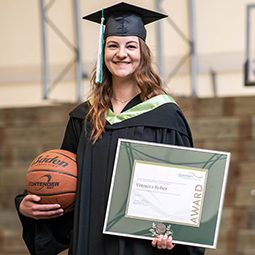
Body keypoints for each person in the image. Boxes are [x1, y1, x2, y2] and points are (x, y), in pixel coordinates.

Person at [15, 2, 205, 255]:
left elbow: (182, 190)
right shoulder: (84, 117)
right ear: (103, 52)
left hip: (143, 247)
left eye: (131, 46)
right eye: (112, 45)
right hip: (90, 242)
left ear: (143, 53)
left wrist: (175, 233)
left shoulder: (165, 116)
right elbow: (63, 180)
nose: (121, 53)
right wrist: (28, 205)